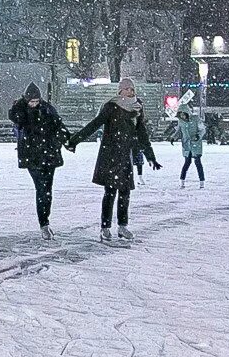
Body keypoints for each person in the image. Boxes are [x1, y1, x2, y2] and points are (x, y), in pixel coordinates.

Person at [68, 76, 160, 242]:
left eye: (132, 89)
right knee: (110, 192)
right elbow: (95, 124)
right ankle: (105, 227)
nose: (130, 92)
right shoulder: (111, 106)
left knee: (125, 192)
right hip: (110, 154)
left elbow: (141, 133)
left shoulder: (137, 108)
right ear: (120, 90)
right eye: (126, 89)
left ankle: (123, 227)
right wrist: (75, 140)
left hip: (125, 155)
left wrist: (150, 156)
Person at [7, 82, 68, 232]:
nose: (34, 104)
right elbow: (16, 118)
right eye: (31, 101)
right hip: (32, 156)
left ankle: (45, 220)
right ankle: (44, 222)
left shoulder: (47, 110)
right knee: (41, 188)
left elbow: (59, 127)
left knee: (47, 189)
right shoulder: (20, 110)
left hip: (49, 154)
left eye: (36, 101)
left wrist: (60, 141)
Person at [175, 88, 206, 186]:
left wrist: (198, 136)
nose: (182, 117)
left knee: (198, 163)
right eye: (181, 115)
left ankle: (202, 181)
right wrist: (173, 137)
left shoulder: (195, 119)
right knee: (187, 163)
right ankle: (182, 181)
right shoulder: (181, 122)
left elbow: (202, 129)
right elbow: (178, 130)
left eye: (183, 114)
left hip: (196, 144)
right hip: (186, 145)